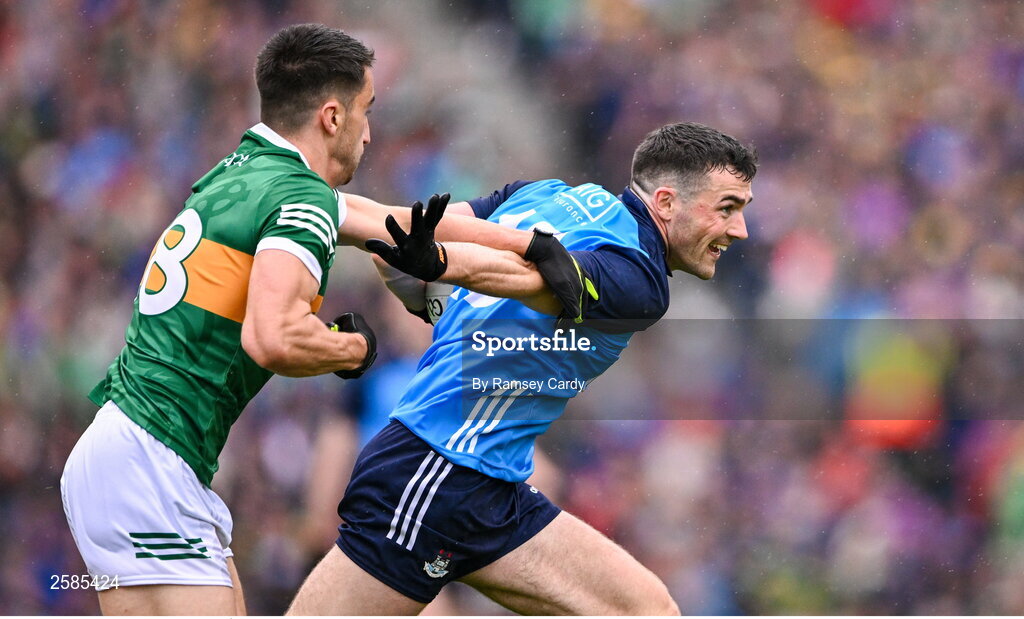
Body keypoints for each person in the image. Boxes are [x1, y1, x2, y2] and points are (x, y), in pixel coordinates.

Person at [59, 23, 582, 616]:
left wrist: (525, 243)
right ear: (332, 116)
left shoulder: (250, 171)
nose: (370, 132)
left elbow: (389, 220)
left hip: (133, 457)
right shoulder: (300, 198)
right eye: (366, 111)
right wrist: (351, 349)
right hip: (148, 462)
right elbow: (273, 336)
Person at [287, 121, 758, 615]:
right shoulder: (641, 280)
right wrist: (438, 266)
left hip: (492, 486)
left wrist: (324, 211)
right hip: (433, 469)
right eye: (727, 209)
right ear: (664, 203)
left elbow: (397, 234)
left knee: (645, 610)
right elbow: (532, 276)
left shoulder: (544, 194)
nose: (739, 230)